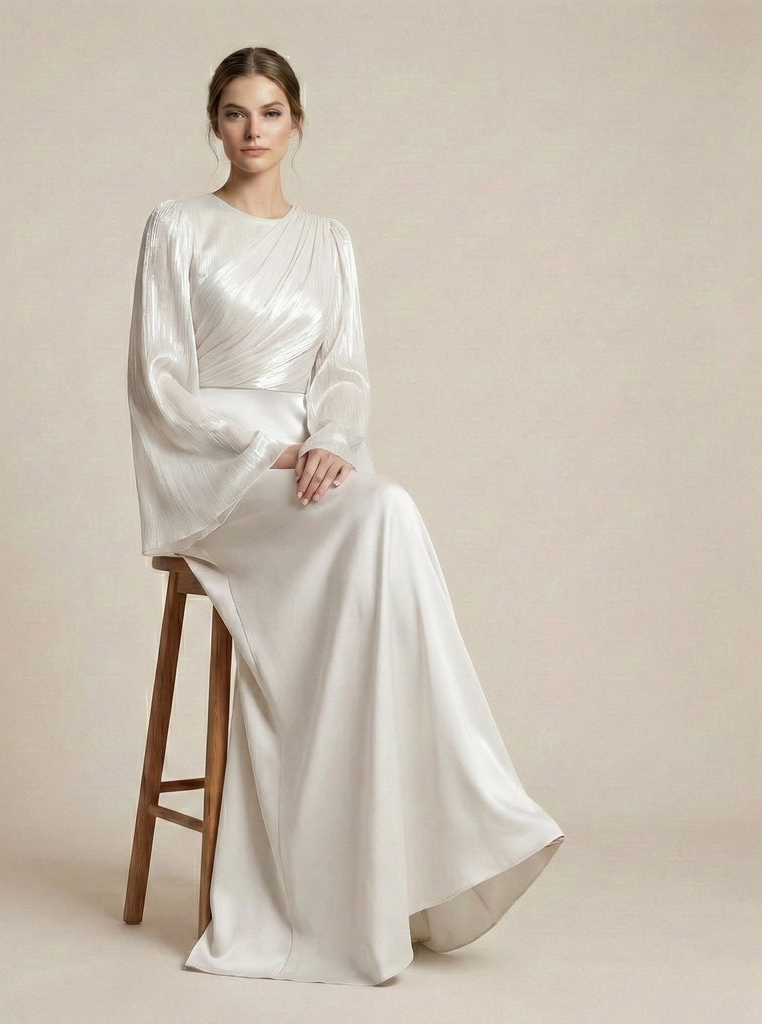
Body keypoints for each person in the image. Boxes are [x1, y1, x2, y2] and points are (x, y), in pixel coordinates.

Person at [126, 46, 563, 986]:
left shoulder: (328, 241)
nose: (253, 131)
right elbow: (158, 381)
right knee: (385, 519)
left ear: (297, 124)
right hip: (219, 476)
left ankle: (421, 842)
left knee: (386, 510)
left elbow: (347, 371)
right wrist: (259, 451)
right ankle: (455, 821)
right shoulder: (178, 226)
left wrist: (329, 440)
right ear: (214, 124)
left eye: (271, 112)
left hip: (309, 468)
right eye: (236, 113)